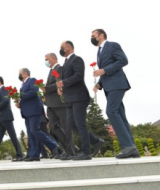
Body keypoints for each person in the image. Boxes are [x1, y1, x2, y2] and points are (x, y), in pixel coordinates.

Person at [91, 29, 139, 159]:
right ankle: (132, 147)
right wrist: (99, 83)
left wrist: (104, 70)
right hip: (109, 86)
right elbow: (105, 68)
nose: (92, 38)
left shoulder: (112, 45)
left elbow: (123, 60)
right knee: (120, 116)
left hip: (117, 84)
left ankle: (128, 147)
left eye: (93, 36)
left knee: (111, 111)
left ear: (101, 35)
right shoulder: (99, 51)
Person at [56, 41, 104, 160]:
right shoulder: (65, 63)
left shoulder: (77, 59)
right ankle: (96, 141)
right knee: (72, 124)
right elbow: (66, 79)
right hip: (69, 98)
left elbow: (78, 76)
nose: (60, 49)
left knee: (80, 124)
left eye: (62, 47)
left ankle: (86, 152)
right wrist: (61, 87)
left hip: (79, 97)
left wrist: (64, 83)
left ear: (69, 47)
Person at [17, 68, 62, 161]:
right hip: (27, 112)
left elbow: (33, 92)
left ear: (25, 74)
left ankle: (55, 147)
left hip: (34, 111)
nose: (19, 75)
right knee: (30, 133)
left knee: (34, 130)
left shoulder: (32, 80)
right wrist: (19, 104)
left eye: (20, 73)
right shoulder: (22, 85)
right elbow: (25, 98)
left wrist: (21, 96)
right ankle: (33, 154)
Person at [43, 53, 75, 157]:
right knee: (53, 127)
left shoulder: (60, 69)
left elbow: (59, 83)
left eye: (47, 59)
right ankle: (68, 147)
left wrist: (46, 88)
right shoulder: (51, 71)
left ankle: (71, 152)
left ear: (53, 58)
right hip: (51, 104)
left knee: (66, 127)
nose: (46, 61)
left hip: (59, 103)